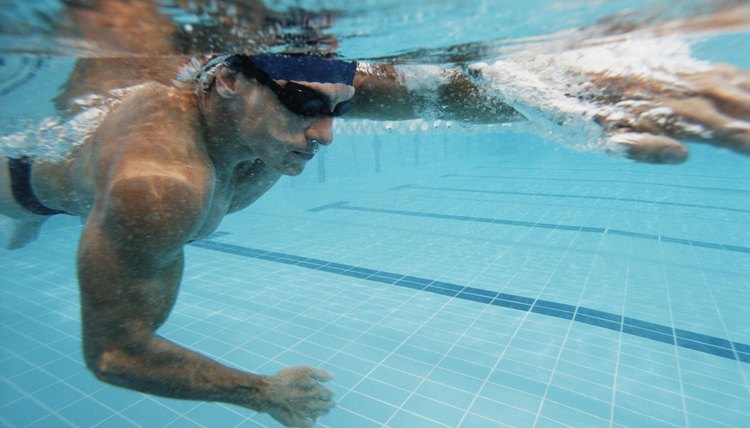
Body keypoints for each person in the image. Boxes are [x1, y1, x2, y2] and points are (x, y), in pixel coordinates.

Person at [1, 4, 750, 428]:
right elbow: (116, 353)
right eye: (304, 109)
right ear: (224, 79)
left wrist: (599, 95)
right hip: (27, 178)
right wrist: (258, 392)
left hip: (106, 191)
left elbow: (455, 93)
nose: (325, 133)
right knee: (43, 198)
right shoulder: (161, 190)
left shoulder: (290, 93)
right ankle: (32, 212)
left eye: (339, 110)